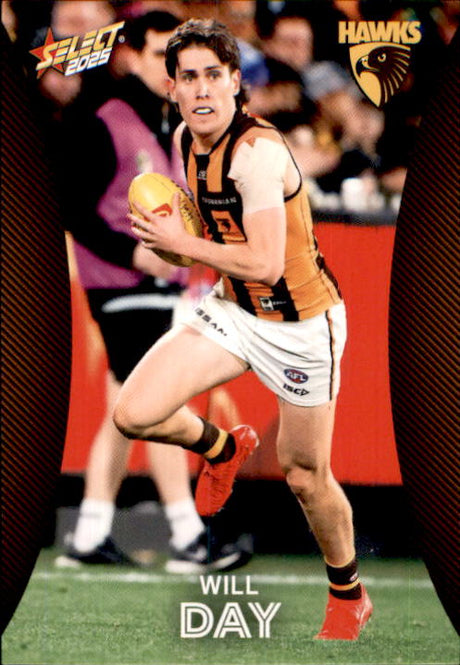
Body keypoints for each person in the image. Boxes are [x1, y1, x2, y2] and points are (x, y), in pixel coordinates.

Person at [114, 18, 373, 640]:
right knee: (134, 413)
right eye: (188, 77)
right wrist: (170, 242)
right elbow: (212, 239)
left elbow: (263, 262)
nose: (201, 89)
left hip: (301, 324)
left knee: (305, 475)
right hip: (234, 308)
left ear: (236, 82)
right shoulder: (186, 137)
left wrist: (179, 244)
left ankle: (348, 594)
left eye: (213, 75)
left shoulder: (257, 154)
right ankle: (223, 448)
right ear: (173, 88)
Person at [54, 10, 250, 574]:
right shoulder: (105, 119)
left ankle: (90, 533)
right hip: (121, 286)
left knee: (128, 408)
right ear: (131, 56)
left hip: (159, 285)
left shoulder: (168, 120)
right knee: (159, 403)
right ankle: (189, 537)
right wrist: (133, 254)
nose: (173, 71)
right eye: (162, 55)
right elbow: (74, 211)